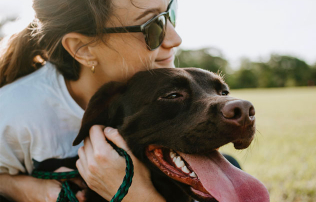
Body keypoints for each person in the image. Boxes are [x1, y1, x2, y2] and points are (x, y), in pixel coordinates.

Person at [0, 0, 181, 201]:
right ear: (83, 48)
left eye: (169, 13)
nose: (175, 39)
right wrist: (24, 188)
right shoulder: (13, 113)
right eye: (153, 26)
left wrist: (136, 194)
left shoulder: (177, 100)